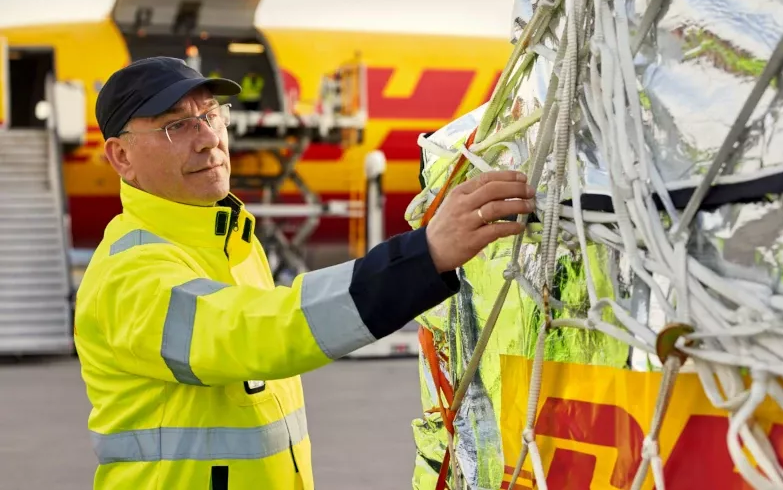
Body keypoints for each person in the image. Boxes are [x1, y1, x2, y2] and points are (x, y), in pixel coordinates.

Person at [74, 56, 535, 490]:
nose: (208, 138)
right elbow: (264, 330)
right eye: (176, 125)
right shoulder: (129, 272)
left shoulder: (231, 240)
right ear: (121, 157)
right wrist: (423, 255)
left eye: (212, 115)